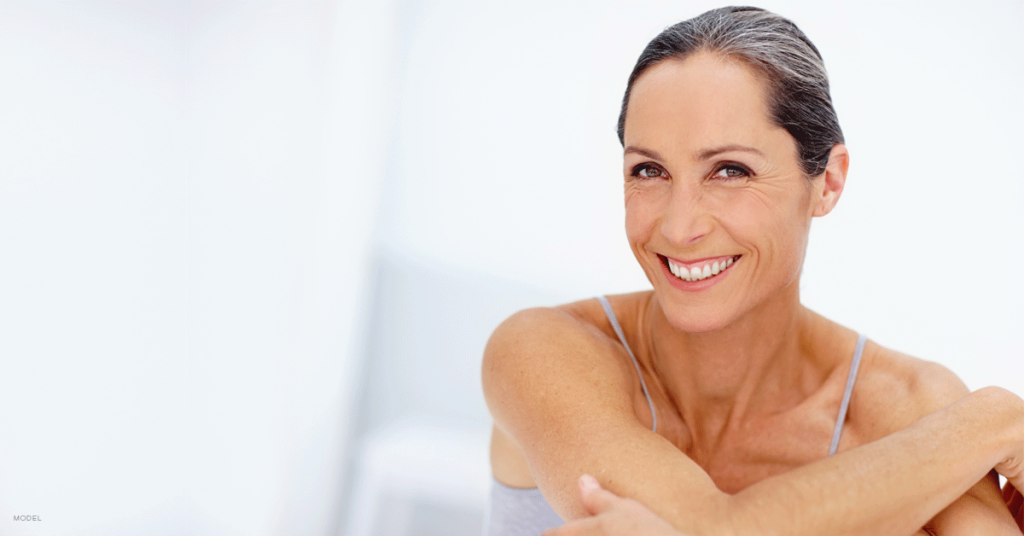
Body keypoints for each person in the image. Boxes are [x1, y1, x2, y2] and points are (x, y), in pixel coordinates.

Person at [480, 6, 1024, 535]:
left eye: (729, 170)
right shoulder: (543, 352)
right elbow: (714, 529)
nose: (679, 226)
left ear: (827, 183)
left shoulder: (908, 405)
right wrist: (995, 420)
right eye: (649, 170)